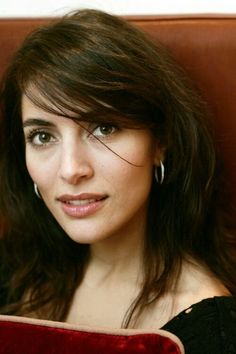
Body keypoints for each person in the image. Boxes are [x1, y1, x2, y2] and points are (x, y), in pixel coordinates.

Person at [0, 8, 235, 353]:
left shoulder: (207, 331)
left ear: (160, 143)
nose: (70, 169)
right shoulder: (13, 272)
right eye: (42, 136)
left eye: (104, 129)